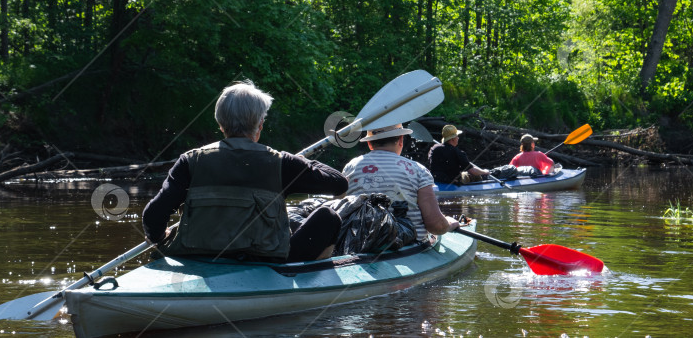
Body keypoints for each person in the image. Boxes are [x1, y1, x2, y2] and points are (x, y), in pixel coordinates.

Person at [142, 80, 348, 262]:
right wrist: (304, 162)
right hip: (264, 260)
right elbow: (339, 183)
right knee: (328, 216)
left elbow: (153, 215)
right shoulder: (283, 163)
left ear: (220, 124)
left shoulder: (190, 161)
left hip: (197, 256)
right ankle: (303, 278)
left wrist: (160, 238)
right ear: (260, 124)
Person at [342, 124, 460, 239]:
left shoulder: (350, 167)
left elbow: (340, 211)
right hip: (408, 246)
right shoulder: (418, 170)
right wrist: (450, 223)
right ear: (401, 140)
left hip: (357, 244)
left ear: (369, 144)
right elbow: (436, 226)